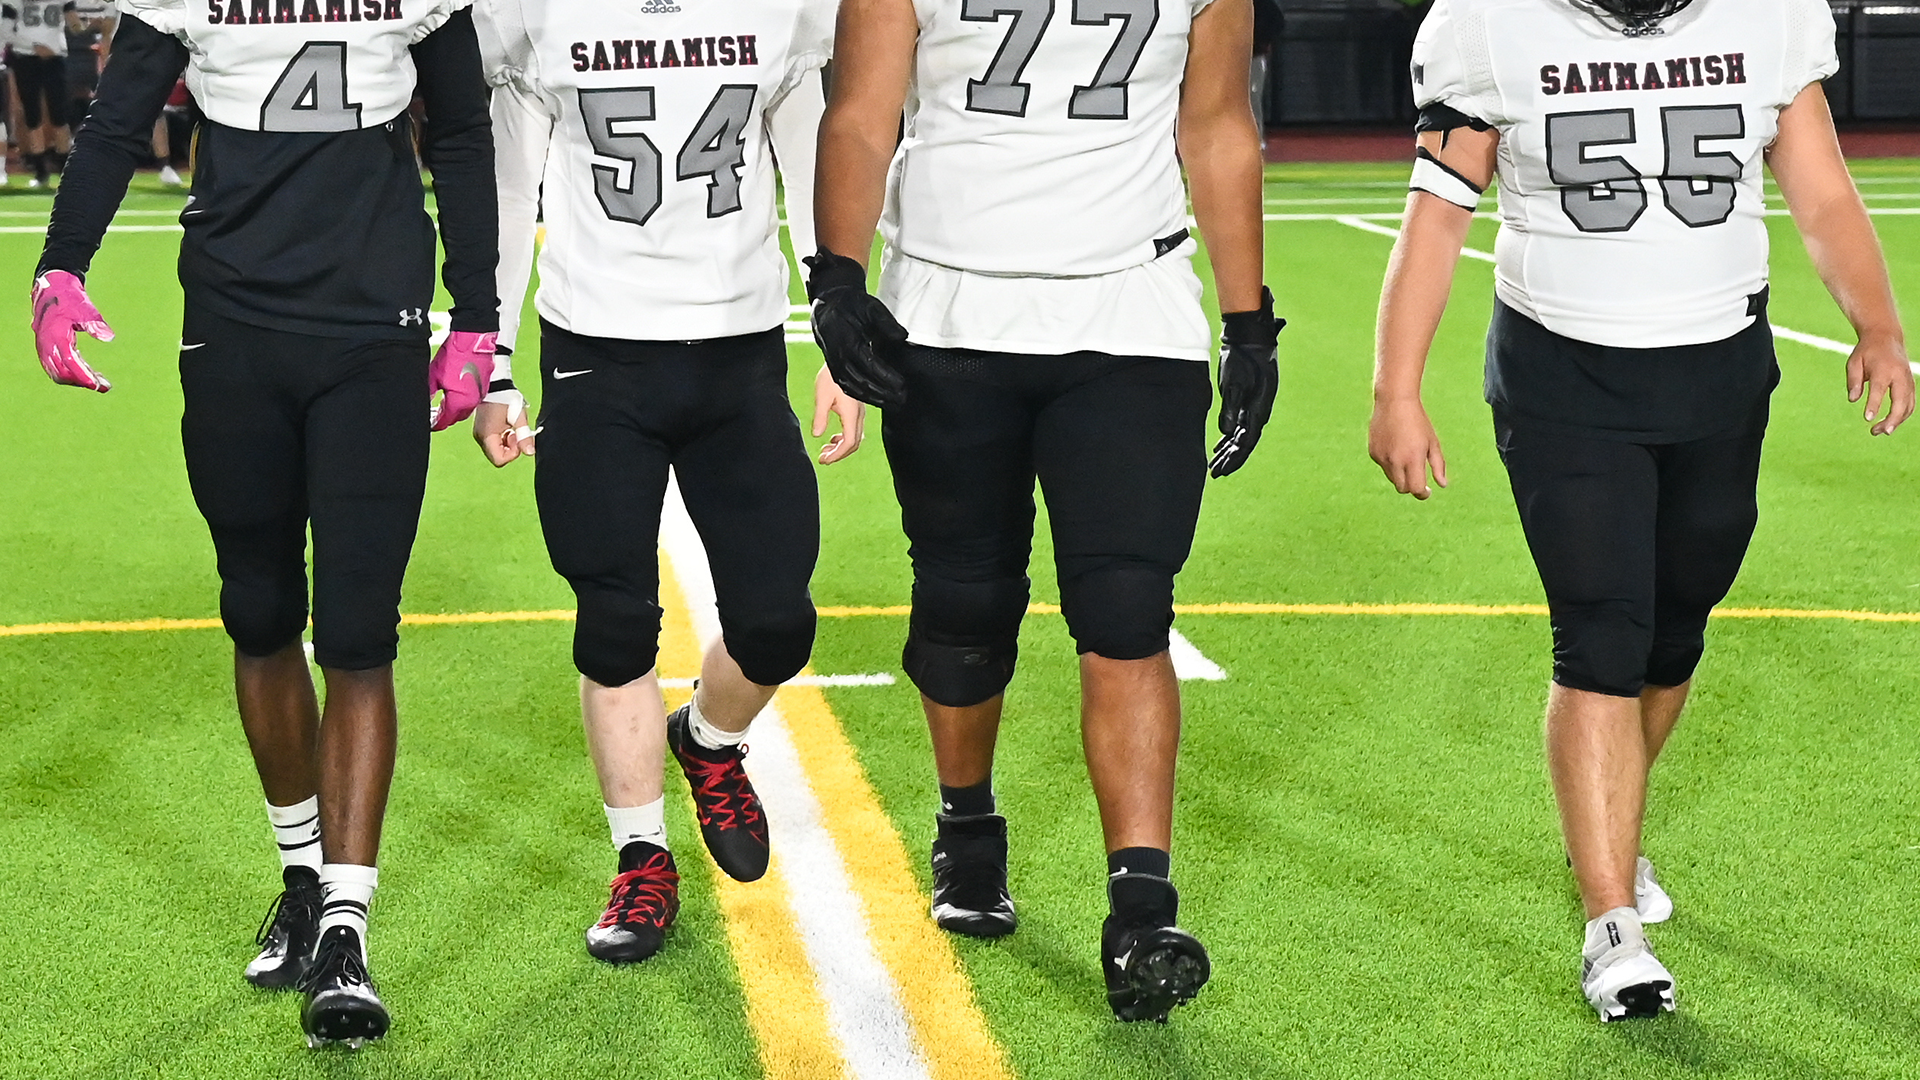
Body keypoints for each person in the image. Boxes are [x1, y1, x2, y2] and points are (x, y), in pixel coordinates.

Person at [1369, 0, 1913, 1022]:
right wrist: (1396, 388)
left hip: (1720, 370)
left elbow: (1820, 188)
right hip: (1561, 371)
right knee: (1601, 634)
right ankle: (1611, 923)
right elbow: (1437, 215)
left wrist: (1877, 325)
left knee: (1672, 634)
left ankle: (1611, 835)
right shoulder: (1488, 23)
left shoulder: (1767, 17)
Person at [30, 0, 499, 1047]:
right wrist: (61, 263)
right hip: (235, 320)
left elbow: (464, 131)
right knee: (259, 610)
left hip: (372, 323)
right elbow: (117, 118)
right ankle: (301, 879)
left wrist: (477, 314)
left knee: (361, 630)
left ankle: (346, 931)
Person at [813, 0, 1277, 1023]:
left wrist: (1249, 320)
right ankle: (967, 827)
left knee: (1128, 609)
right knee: (963, 603)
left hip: (1131, 309)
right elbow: (862, 110)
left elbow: (1216, 123)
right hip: (948, 308)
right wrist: (837, 278)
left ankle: (1141, 911)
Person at [472, 0, 854, 963]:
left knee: (778, 621)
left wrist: (839, 335)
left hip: (739, 350)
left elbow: (811, 157)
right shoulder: (535, 10)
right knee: (613, 621)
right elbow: (511, 190)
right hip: (595, 351)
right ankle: (641, 858)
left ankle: (709, 742)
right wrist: (495, 362)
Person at [4, 0, 74, 187]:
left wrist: (82, 27)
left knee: (59, 115)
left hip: (54, 57)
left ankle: (66, 169)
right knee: (32, 115)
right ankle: (41, 171)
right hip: (25, 57)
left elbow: (74, 22)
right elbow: (5, 31)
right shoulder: (14, 2)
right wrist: (34, 45)